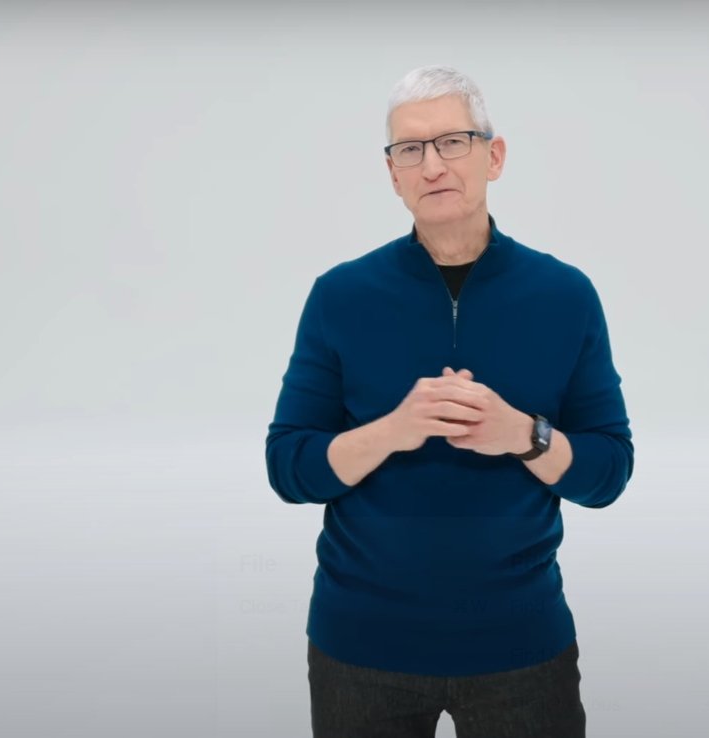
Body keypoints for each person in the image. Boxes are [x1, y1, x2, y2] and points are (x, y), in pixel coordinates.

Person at [265, 64, 634, 738]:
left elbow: (609, 473)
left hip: (522, 650)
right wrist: (394, 429)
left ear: (493, 156)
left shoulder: (564, 295)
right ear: (393, 173)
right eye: (410, 149)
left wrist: (525, 433)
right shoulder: (340, 296)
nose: (432, 164)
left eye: (453, 142)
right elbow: (290, 467)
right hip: (360, 651)